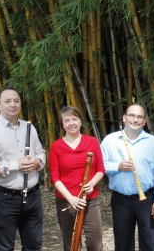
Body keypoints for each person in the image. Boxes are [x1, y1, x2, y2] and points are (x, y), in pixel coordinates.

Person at [0, 88, 46, 251]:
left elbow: (41, 152)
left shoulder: (29, 127)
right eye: (7, 101)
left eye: (16, 101)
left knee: (34, 245)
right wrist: (16, 164)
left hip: (33, 196)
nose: (13, 105)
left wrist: (37, 162)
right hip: (4, 197)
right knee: (4, 247)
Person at [100, 103, 154, 251]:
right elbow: (100, 167)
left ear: (144, 121)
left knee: (151, 241)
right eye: (131, 115)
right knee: (122, 241)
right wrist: (118, 166)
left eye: (139, 117)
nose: (135, 119)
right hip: (121, 199)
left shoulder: (153, 142)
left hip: (147, 199)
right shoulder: (110, 140)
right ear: (124, 118)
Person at [49, 106, 105, 251]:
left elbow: (100, 170)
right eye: (67, 120)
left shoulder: (92, 142)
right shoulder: (56, 146)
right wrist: (71, 199)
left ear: (80, 121)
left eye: (75, 119)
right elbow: (55, 177)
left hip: (90, 199)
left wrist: (92, 183)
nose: (71, 123)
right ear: (62, 124)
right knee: (71, 243)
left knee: (95, 243)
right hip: (66, 200)